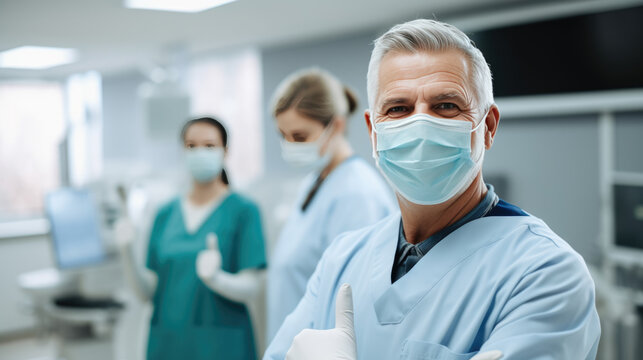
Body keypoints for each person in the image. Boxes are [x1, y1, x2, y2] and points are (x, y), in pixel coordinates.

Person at [264, 20, 601, 360]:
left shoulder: (545, 274)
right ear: (372, 131)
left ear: (488, 126)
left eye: (446, 106)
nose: (420, 125)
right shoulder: (343, 258)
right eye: (398, 109)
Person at [116, 117, 267, 360]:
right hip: (168, 345)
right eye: (191, 146)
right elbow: (148, 293)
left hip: (221, 348)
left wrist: (218, 279)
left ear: (225, 151)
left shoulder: (244, 211)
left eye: (209, 146)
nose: (200, 153)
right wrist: (126, 252)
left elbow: (252, 288)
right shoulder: (165, 214)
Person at [267, 68, 397, 340]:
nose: (289, 145)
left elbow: (353, 304)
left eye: (299, 137)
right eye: (283, 135)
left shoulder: (356, 194)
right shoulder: (316, 181)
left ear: (336, 126)